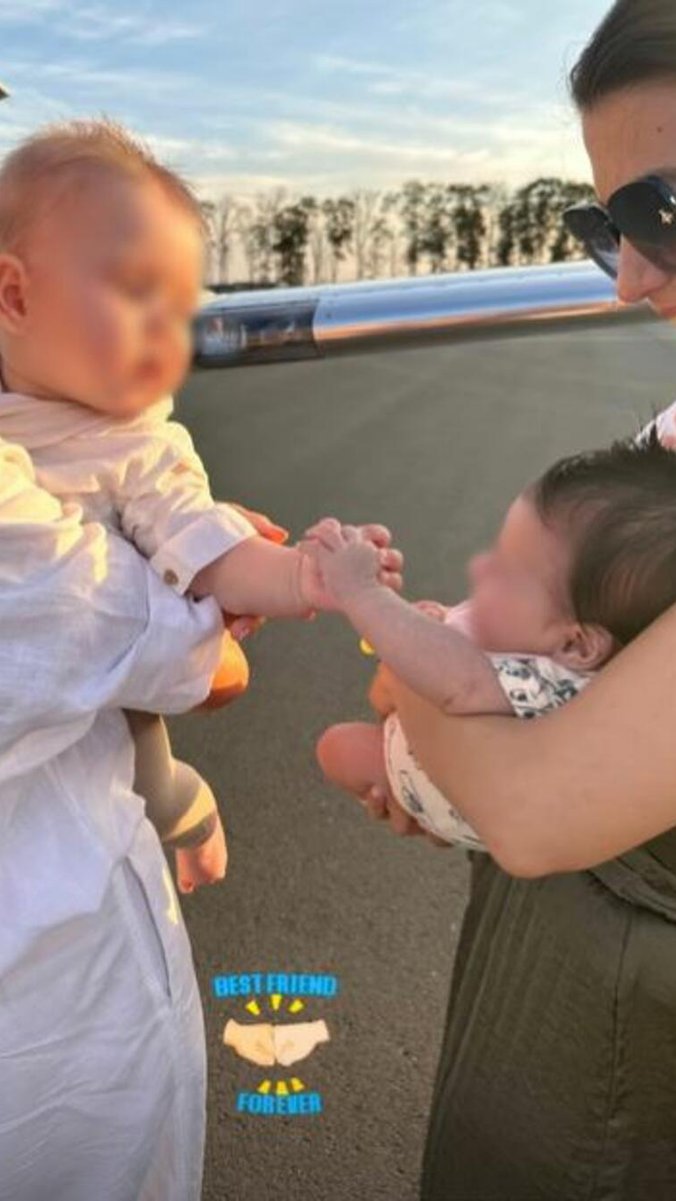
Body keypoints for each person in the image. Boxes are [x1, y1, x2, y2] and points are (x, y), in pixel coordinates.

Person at [351, 3, 676, 1196]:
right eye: (605, 225)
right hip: (566, 998)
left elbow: (538, 808)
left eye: (663, 213)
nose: (630, 276)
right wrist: (463, 750)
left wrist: (417, 668)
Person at [0, 118, 402, 896]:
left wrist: (302, 576)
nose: (169, 335)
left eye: (181, 309)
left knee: (153, 776)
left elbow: (211, 545)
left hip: (112, 713)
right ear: (15, 295)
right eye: (138, 294)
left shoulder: (135, 443)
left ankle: (194, 812)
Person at [313, 434, 676, 847]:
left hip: (462, 792)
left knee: (336, 747)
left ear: (577, 646)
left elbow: (458, 682)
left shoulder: (550, 682)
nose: (481, 568)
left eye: (508, 574)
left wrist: (361, 591)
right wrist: (439, 621)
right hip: (463, 789)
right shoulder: (563, 649)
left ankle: (419, 803)